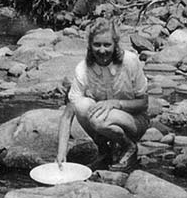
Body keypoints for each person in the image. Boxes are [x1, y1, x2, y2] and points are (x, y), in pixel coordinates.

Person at [56, 19, 149, 173]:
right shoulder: (83, 69)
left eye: (107, 45)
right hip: (104, 120)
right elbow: (67, 115)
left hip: (135, 121)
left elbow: (144, 104)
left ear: (115, 44)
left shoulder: (130, 62)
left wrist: (115, 103)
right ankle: (105, 151)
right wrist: (61, 153)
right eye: (97, 45)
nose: (102, 50)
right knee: (81, 105)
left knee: (98, 119)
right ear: (90, 46)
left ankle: (128, 146)